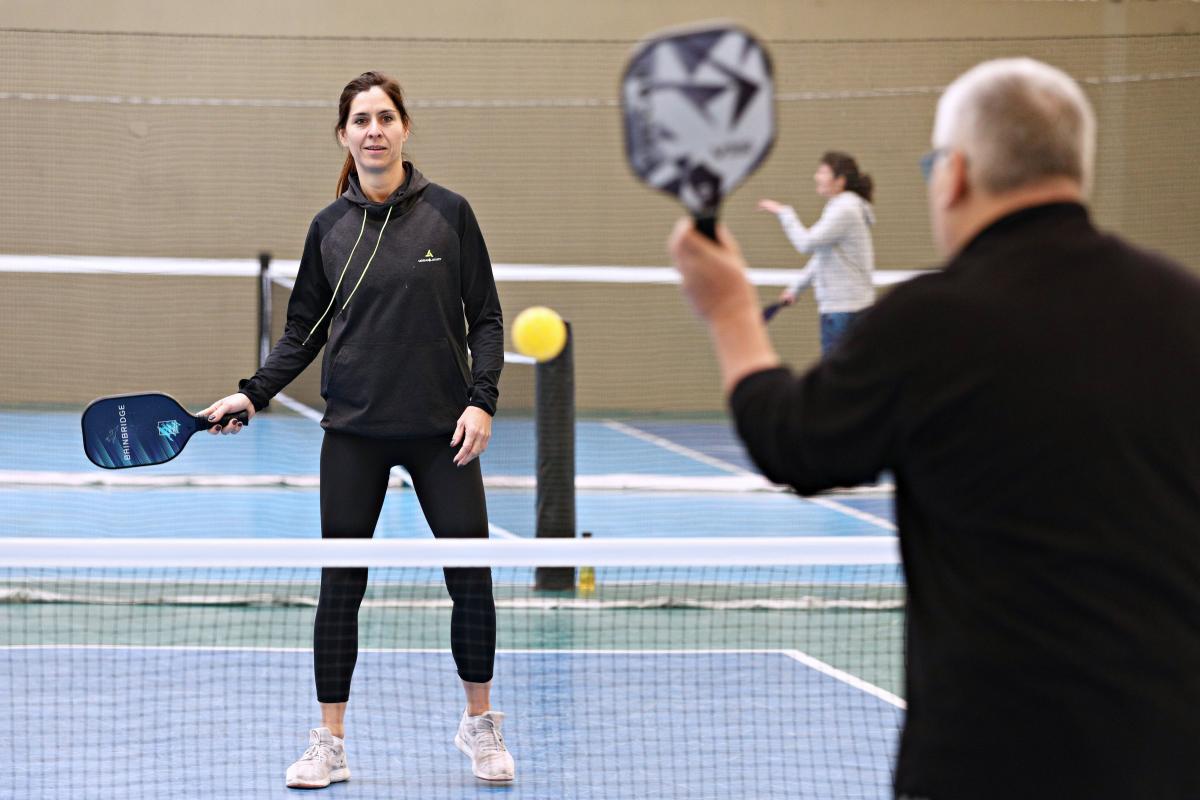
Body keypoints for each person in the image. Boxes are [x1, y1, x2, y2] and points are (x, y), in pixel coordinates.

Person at [669, 57, 1200, 799]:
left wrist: (729, 312)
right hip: (1167, 755)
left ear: (953, 175)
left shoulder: (931, 321)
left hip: (983, 757)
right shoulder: (1182, 306)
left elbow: (794, 444)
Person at [201, 71, 515, 788]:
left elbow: (487, 317)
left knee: (472, 581)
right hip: (354, 435)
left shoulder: (450, 214)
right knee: (341, 587)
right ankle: (330, 744)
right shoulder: (329, 229)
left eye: (385, 117)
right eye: (360, 120)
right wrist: (252, 395)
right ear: (344, 136)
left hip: (445, 434)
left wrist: (482, 399)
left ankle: (481, 727)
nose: (374, 130)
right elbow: (301, 333)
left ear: (405, 127)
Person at [758, 151, 876, 354]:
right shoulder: (841, 207)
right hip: (845, 310)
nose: (816, 177)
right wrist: (796, 288)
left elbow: (806, 243)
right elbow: (824, 255)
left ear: (840, 181)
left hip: (844, 312)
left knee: (838, 380)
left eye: (823, 172)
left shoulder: (845, 209)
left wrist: (784, 213)